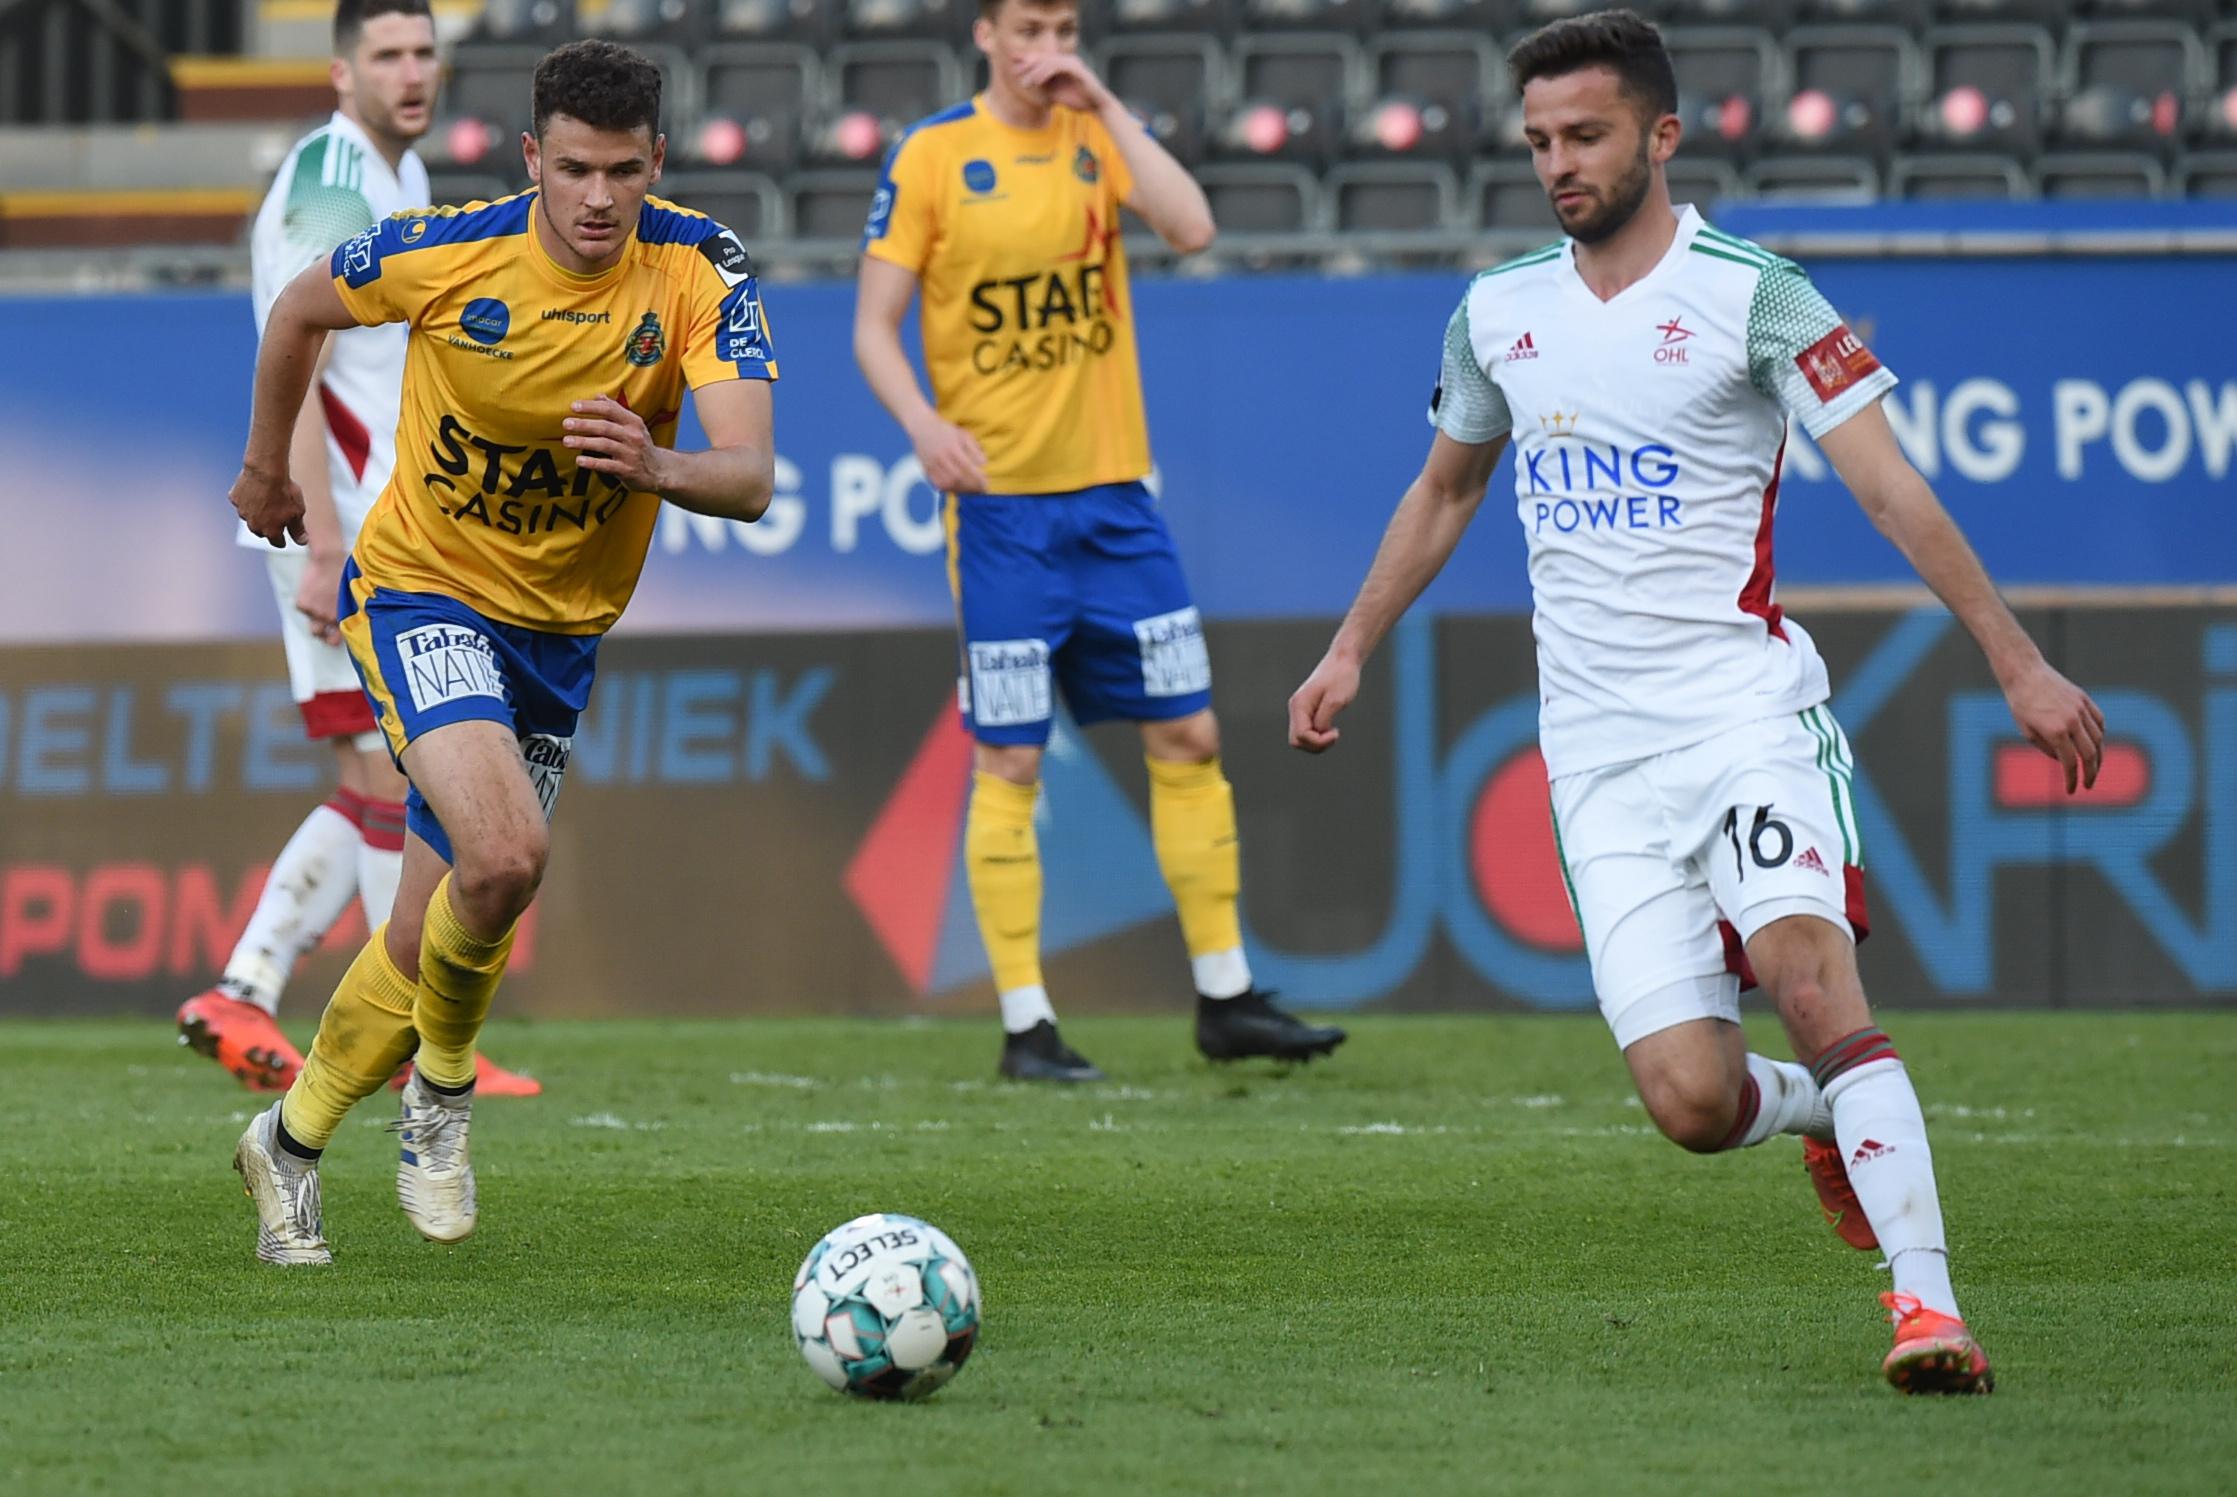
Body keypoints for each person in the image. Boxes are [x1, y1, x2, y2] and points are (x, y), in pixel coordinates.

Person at [1288, 9, 2105, 1395]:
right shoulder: (1498, 311)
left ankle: (1926, 1307)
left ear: (1662, 135)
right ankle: (1822, 1124)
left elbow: (1891, 489)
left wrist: (2016, 659)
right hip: (1597, 763)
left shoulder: (1757, 293)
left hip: (1742, 721)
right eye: (1540, 138)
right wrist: (1352, 643)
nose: (1559, 161)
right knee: (1689, 1101)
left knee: (1805, 975)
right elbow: (1443, 492)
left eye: (1587, 133)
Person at [225, 38, 778, 1264]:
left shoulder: (701, 266)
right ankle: (444, 1093)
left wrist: (657, 464)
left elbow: (747, 473)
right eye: (573, 168)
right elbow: (297, 306)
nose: (596, 198)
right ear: (532, 158)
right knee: (509, 849)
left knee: (447, 920)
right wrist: (268, 469)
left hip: (557, 632)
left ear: (657, 165)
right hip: (421, 590)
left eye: (622, 172)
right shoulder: (449, 250)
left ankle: (291, 1140)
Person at [854, 0, 1345, 1082]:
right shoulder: (934, 156)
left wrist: (1107, 104)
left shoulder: (1092, 137)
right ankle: (1026, 1024)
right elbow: (871, 325)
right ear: (984, 31)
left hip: (1117, 507)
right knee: (1011, 756)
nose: (1049, 46)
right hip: (1002, 518)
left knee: (1190, 738)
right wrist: (922, 426)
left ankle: (1225, 996)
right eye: (1029, 24)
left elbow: (1193, 228)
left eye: (1066, 25)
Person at [176, 0, 539, 1100]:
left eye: (424, 52)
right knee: (395, 777)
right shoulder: (332, 183)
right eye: (387, 55)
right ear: (342, 73)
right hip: (339, 524)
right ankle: (409, 1038)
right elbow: (298, 352)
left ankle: (254, 989)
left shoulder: (400, 178)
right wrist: (324, 541)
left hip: (391, 524)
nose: (411, 73)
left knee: (387, 782)